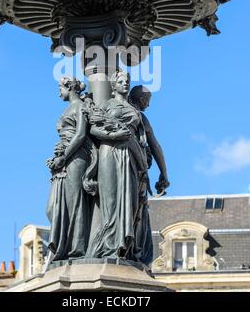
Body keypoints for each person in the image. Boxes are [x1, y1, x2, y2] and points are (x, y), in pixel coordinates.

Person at [86, 71, 150, 263]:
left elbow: (149, 141)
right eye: (120, 81)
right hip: (109, 151)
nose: (125, 84)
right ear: (113, 86)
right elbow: (93, 129)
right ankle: (106, 246)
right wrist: (113, 136)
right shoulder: (106, 105)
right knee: (110, 200)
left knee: (129, 202)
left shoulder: (135, 111)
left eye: (127, 81)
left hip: (130, 155)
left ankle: (122, 246)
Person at [46, 77, 97, 262]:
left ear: (69, 87)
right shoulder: (69, 108)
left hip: (76, 158)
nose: (59, 91)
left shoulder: (80, 106)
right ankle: (65, 245)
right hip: (66, 158)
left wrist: (63, 156)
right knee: (54, 207)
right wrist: (56, 158)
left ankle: (77, 248)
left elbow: (81, 134)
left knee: (75, 201)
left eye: (60, 87)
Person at [128, 85, 170, 194]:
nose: (148, 105)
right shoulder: (140, 117)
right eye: (147, 101)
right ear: (141, 100)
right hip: (134, 167)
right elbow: (155, 146)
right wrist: (164, 172)